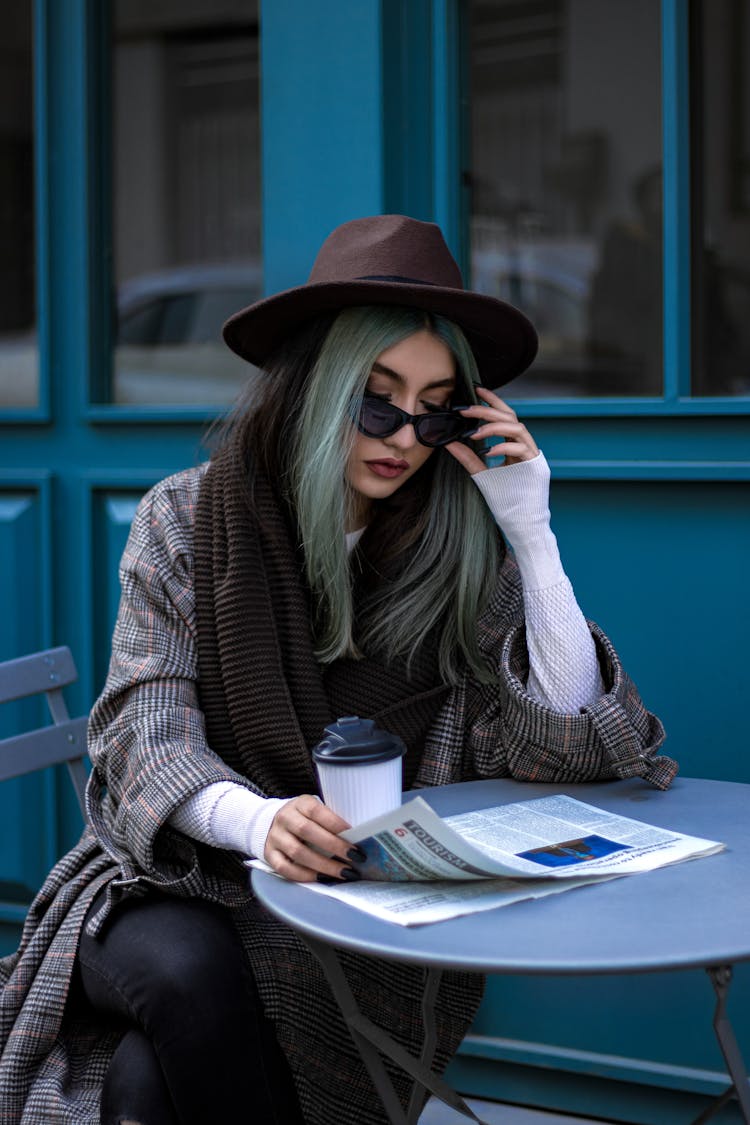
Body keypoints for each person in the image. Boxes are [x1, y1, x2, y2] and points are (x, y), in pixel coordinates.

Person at [0, 214, 676, 1125]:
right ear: (316, 388)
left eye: (437, 407)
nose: (405, 432)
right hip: (180, 877)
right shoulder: (187, 521)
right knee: (192, 974)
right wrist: (263, 820)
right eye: (377, 397)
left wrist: (531, 529)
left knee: (142, 1083)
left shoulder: (462, 548)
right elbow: (142, 731)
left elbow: (571, 747)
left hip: (361, 912)